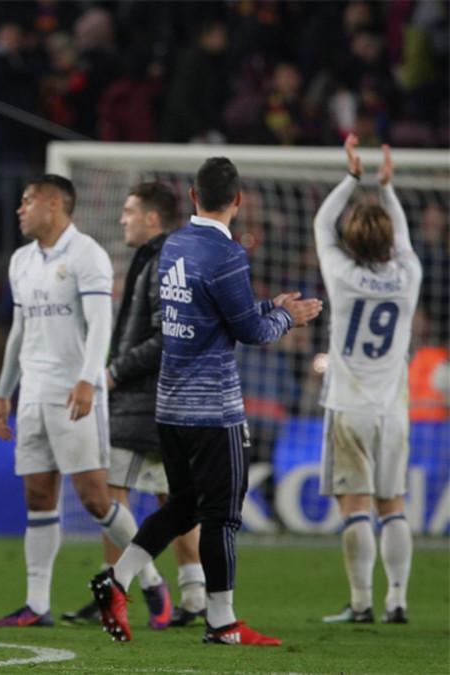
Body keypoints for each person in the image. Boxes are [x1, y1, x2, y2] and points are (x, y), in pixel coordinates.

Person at [90, 157, 322, 646]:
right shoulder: (228, 254)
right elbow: (249, 331)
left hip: (170, 406)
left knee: (184, 507)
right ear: (238, 200)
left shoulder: (174, 245)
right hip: (214, 409)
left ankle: (116, 579)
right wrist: (288, 318)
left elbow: (213, 315)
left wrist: (268, 306)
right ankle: (221, 621)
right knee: (222, 515)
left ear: (194, 197)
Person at [0, 175, 139, 628]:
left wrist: (88, 380)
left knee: (95, 498)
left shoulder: (86, 254)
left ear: (54, 205)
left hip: (73, 394)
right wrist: (3, 391)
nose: (20, 209)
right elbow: (19, 331)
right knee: (38, 496)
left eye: (28, 200)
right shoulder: (21, 261)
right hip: (32, 392)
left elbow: (101, 325)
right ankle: (37, 605)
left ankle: (150, 581)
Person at [63, 183, 206, 629]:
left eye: (129, 211)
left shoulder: (162, 261)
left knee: (110, 493)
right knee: (172, 498)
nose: (122, 219)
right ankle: (195, 595)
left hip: (145, 398)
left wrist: (114, 371)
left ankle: (117, 586)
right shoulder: (161, 258)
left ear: (152, 218)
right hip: (163, 399)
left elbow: (166, 338)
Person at [316, 136, 420, 625]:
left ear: (350, 240)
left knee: (355, 503)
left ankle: (361, 604)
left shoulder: (339, 274)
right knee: (392, 503)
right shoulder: (409, 274)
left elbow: (321, 223)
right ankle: (397, 599)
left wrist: (353, 178)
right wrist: (387, 187)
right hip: (395, 409)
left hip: (349, 406)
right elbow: (401, 239)